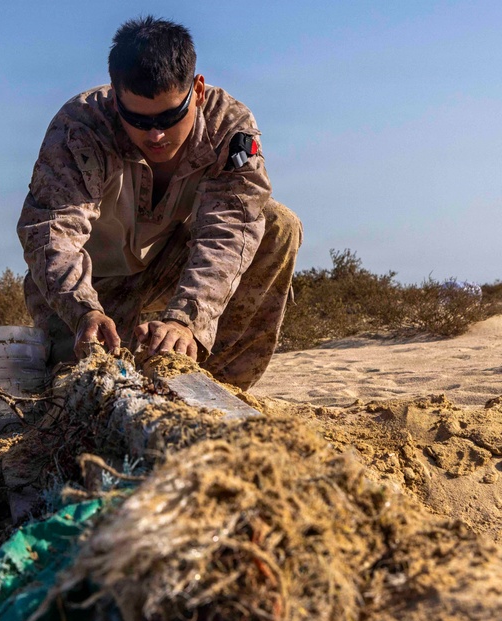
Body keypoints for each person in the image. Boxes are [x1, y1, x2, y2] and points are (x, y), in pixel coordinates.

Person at [16, 16, 302, 390]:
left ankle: (216, 386)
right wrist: (83, 309)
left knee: (277, 225)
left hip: (172, 265)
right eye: (138, 119)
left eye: (170, 116)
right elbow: (52, 234)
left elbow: (231, 229)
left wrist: (185, 320)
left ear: (197, 91)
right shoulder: (80, 127)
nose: (156, 134)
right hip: (93, 287)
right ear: (117, 101)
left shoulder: (228, 128)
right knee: (80, 391)